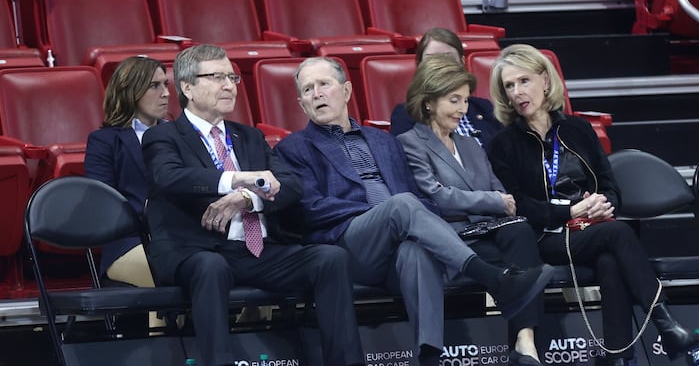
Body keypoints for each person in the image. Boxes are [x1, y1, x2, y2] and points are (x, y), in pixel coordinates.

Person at [274, 56, 553, 366]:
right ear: (301, 104)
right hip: (348, 243)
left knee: (415, 253)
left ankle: (429, 356)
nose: (317, 94)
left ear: (347, 90)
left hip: (396, 242)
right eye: (308, 90)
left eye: (323, 84)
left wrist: (400, 218)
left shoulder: (383, 141)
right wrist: (384, 213)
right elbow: (311, 210)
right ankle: (495, 279)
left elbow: (424, 199)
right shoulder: (293, 149)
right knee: (402, 204)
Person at [141, 45, 364, 366]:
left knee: (330, 259)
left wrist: (246, 197)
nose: (229, 85)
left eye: (231, 77)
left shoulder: (248, 136)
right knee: (210, 267)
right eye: (217, 77)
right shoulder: (164, 137)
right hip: (198, 249)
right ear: (187, 87)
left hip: (258, 250)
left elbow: (290, 184)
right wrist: (237, 180)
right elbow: (169, 177)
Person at [486, 44, 699, 366]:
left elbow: (609, 185)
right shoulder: (503, 144)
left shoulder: (578, 129)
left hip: (592, 227)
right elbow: (518, 204)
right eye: (509, 85)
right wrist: (569, 212)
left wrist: (605, 204)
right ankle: (666, 325)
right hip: (545, 236)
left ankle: (617, 357)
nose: (518, 92)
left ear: (545, 81)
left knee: (609, 261)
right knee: (617, 236)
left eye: (524, 81)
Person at [397, 57, 546, 366]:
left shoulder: (471, 144)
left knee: (519, 229)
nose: (463, 109)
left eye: (465, 100)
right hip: (448, 236)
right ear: (428, 102)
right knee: (515, 240)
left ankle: (524, 341)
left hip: (485, 231)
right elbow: (436, 196)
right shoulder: (409, 142)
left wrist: (494, 201)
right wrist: (490, 201)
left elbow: (502, 193)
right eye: (454, 100)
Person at [85, 56, 168, 294]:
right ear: (131, 91)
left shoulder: (179, 135)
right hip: (129, 241)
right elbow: (103, 203)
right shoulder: (104, 141)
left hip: (177, 237)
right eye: (154, 86)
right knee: (168, 269)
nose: (165, 93)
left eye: (165, 85)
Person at [389, 27, 502, 146]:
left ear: (462, 62)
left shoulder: (482, 107)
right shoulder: (406, 113)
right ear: (419, 66)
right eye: (432, 60)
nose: (442, 66)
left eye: (448, 58)